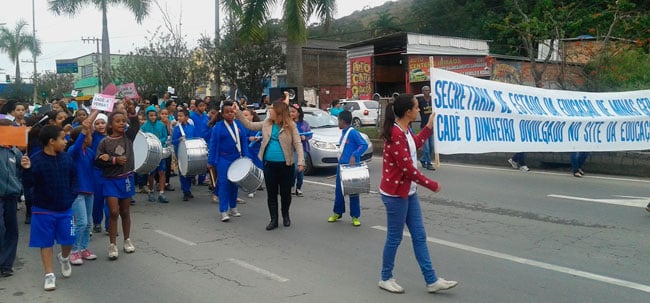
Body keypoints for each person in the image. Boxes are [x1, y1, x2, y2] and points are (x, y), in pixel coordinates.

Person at [377, 93, 458, 294]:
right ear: (408, 112)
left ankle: (431, 280)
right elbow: (407, 169)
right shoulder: (396, 134)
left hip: (409, 192)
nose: (419, 110)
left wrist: (429, 126)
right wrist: (431, 184)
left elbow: (417, 143)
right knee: (395, 238)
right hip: (396, 194)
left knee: (419, 236)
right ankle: (385, 277)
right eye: (416, 107)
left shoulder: (406, 130)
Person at [22, 125, 77, 291]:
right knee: (45, 243)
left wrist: (70, 196)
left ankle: (64, 257)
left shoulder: (66, 158)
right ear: (51, 142)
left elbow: (74, 180)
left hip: (65, 209)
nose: (65, 141)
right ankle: (49, 274)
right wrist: (26, 170)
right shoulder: (36, 160)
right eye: (62, 138)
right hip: (42, 209)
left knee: (69, 239)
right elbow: (28, 184)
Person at [236, 101, 304, 230]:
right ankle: (273, 219)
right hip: (269, 164)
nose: (269, 110)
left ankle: (285, 215)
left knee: (285, 193)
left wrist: (301, 161)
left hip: (286, 164)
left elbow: (298, 143)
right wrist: (238, 112)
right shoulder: (266, 123)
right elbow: (249, 125)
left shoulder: (291, 125)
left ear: (279, 112)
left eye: (272, 108)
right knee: (271, 193)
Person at [94, 110, 140, 260]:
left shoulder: (128, 137)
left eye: (123, 121)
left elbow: (135, 126)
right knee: (114, 211)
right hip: (110, 181)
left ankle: (127, 240)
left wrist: (132, 112)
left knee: (125, 212)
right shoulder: (104, 142)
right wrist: (112, 160)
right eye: (118, 121)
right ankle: (112, 244)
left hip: (125, 179)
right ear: (110, 124)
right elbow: (98, 161)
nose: (121, 123)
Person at [66, 113, 99, 265]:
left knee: (88, 223)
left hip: (89, 190)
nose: (91, 137)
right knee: (81, 222)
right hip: (77, 191)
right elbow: (78, 144)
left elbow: (98, 164)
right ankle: (74, 251)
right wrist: (86, 128)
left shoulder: (90, 152)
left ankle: (84, 248)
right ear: (84, 137)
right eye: (90, 135)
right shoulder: (74, 150)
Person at [208, 101, 249, 222]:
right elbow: (213, 145)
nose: (230, 114)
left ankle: (233, 207)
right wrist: (211, 161)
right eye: (227, 112)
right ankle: (223, 211)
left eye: (232, 112)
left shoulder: (238, 125)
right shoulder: (218, 127)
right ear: (222, 114)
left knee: (234, 184)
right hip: (223, 159)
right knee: (224, 184)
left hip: (236, 158)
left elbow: (244, 142)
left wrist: (246, 157)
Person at [327, 110, 368, 226]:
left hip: (352, 168)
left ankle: (355, 216)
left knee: (353, 192)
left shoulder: (353, 133)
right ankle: (337, 212)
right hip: (341, 166)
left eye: (338, 120)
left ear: (343, 121)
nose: (337, 123)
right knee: (339, 191)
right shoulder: (344, 132)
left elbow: (363, 145)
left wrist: (355, 155)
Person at [0, 119, 23, 277]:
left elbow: (22, 170)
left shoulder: (16, 151)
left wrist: (26, 165)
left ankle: (6, 264)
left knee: (11, 229)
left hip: (12, 195)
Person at [141, 105, 170, 203]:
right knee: (151, 173)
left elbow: (165, 136)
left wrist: (158, 141)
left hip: (160, 151)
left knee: (162, 172)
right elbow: (143, 139)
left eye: (154, 115)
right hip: (150, 153)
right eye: (150, 115)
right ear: (147, 116)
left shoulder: (161, 125)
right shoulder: (144, 127)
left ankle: (161, 193)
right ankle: (151, 191)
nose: (153, 117)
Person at [172, 107, 197, 201]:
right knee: (183, 172)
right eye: (178, 116)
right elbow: (173, 141)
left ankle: (188, 189)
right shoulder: (177, 128)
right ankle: (185, 191)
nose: (179, 118)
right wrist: (179, 140)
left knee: (190, 172)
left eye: (181, 116)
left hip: (191, 153)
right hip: (181, 153)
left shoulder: (192, 127)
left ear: (187, 117)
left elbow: (195, 138)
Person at [289, 103, 312, 197]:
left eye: (293, 112)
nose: (291, 113)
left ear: (299, 113)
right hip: (292, 149)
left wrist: (304, 137)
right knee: (294, 169)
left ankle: (299, 187)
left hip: (303, 149)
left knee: (301, 169)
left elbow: (310, 134)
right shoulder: (289, 123)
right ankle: (291, 185)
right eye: (290, 112)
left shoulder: (304, 124)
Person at [242, 109, 264, 198]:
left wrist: (259, 138)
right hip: (246, 150)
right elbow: (241, 138)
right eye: (243, 115)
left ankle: (256, 185)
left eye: (246, 115)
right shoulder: (241, 127)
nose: (244, 117)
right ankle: (251, 188)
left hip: (257, 150)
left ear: (252, 116)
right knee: (248, 170)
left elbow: (264, 136)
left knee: (258, 168)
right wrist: (248, 139)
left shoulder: (257, 126)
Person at [190, 99, 211, 186]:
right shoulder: (192, 116)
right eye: (200, 106)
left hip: (205, 140)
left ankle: (202, 179)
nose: (202, 107)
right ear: (196, 107)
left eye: (204, 106)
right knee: (194, 159)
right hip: (195, 140)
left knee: (204, 160)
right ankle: (192, 177)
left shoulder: (206, 117)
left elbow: (209, 127)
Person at [417, 86, 436, 171]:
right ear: (422, 91)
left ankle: (423, 159)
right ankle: (428, 163)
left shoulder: (433, 101)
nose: (427, 92)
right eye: (425, 90)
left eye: (428, 90)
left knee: (431, 146)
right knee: (426, 147)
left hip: (432, 127)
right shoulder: (420, 101)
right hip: (424, 127)